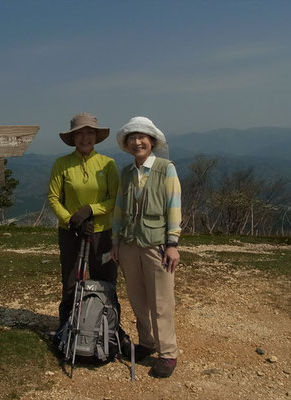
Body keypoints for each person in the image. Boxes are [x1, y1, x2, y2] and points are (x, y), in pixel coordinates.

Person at [111, 116, 182, 378]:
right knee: (138, 298)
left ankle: (168, 353)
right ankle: (148, 342)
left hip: (157, 245)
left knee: (162, 301)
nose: (137, 142)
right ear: (127, 144)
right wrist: (116, 241)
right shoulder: (126, 172)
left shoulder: (166, 169)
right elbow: (119, 209)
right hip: (129, 243)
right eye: (132, 138)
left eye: (142, 137)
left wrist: (173, 243)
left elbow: (174, 206)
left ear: (152, 141)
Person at [48, 112, 121, 340]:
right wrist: (72, 220)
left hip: (102, 233)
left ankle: (109, 327)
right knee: (70, 281)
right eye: (80, 134)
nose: (85, 138)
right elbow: (53, 197)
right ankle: (66, 328)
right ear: (73, 138)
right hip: (70, 233)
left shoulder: (108, 164)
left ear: (96, 137)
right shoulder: (62, 164)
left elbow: (114, 199)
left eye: (90, 133)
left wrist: (90, 210)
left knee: (106, 280)